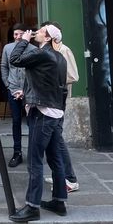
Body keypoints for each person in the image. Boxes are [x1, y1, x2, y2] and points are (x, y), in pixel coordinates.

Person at [9, 25, 68, 222]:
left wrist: (24, 40)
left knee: (35, 160)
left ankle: (32, 207)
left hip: (43, 112)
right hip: (54, 111)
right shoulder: (58, 57)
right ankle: (59, 201)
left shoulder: (43, 54)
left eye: (41, 30)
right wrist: (27, 95)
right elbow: (53, 85)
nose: (37, 31)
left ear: (48, 37)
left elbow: (14, 59)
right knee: (55, 157)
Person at [41, 21, 80, 192]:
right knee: (54, 139)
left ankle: (70, 179)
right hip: (51, 101)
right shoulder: (50, 52)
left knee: (58, 140)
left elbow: (73, 75)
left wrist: (50, 81)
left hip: (58, 101)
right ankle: (61, 175)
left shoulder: (64, 50)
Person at [0, 23, 34, 168]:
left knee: (32, 122)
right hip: (13, 89)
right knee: (15, 121)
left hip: (29, 91)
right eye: (15, 34)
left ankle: (33, 153)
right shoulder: (8, 48)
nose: (18, 36)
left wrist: (30, 88)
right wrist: (7, 84)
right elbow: (4, 66)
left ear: (26, 34)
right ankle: (17, 152)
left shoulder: (33, 49)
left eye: (20, 33)